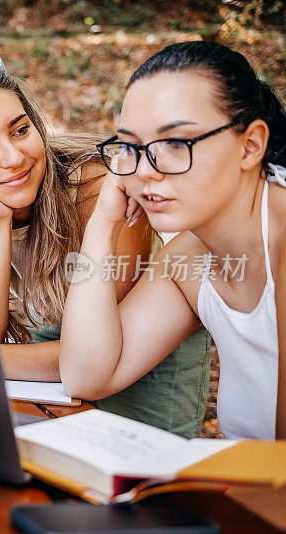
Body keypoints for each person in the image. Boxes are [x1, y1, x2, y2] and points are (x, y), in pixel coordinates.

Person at [0, 52, 211, 437]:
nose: (13, 157)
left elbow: (94, 352)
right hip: (44, 386)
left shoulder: (102, 191)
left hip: (139, 388)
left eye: (20, 130)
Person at [60, 41, 286, 440]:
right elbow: (88, 375)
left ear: (250, 146)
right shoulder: (191, 254)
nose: (147, 170)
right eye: (131, 147)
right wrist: (101, 225)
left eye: (176, 143)